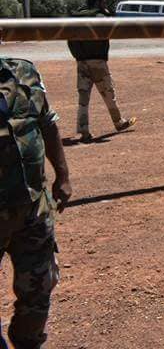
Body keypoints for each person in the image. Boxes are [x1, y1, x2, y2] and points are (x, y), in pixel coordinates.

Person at [0, 56, 71, 348]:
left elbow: (47, 123)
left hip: (32, 207)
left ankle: (28, 341)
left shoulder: (24, 72)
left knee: (41, 285)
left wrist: (63, 176)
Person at [66, 0, 136, 143]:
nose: (105, 5)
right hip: (98, 62)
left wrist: (77, 56)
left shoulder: (76, 17)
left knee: (83, 99)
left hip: (81, 62)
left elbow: (69, 40)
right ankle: (118, 122)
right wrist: (109, 15)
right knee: (108, 93)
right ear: (98, 2)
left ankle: (83, 130)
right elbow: (113, 30)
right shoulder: (100, 17)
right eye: (103, 2)